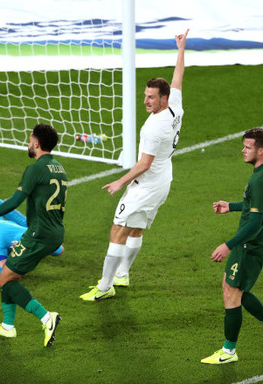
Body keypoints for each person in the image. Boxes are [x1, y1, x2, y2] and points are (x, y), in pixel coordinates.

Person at [80, 29, 189, 301]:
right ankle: (123, 273)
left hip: (148, 182)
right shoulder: (174, 104)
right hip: (164, 179)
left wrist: (120, 181)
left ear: (162, 99)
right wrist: (180, 50)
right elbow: (178, 78)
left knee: (118, 228)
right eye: (145, 95)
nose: (145, 101)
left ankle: (104, 287)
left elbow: (144, 163)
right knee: (136, 227)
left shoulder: (155, 127)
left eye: (151, 97)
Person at [0, 123, 67, 347]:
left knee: (4, 279)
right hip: (54, 231)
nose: (29, 143)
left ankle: (46, 317)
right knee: (12, 276)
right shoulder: (59, 168)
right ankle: (8, 327)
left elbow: (14, 202)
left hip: (38, 234)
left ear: (37, 143)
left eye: (30, 139)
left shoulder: (35, 169)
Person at [201, 128, 263, 364]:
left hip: (251, 243)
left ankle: (229, 351)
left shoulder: (261, 179)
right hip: (253, 242)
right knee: (234, 287)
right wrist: (232, 205)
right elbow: (256, 205)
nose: (243, 149)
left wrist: (228, 245)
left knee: (231, 290)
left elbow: (256, 222)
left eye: (248, 147)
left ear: (261, 150)